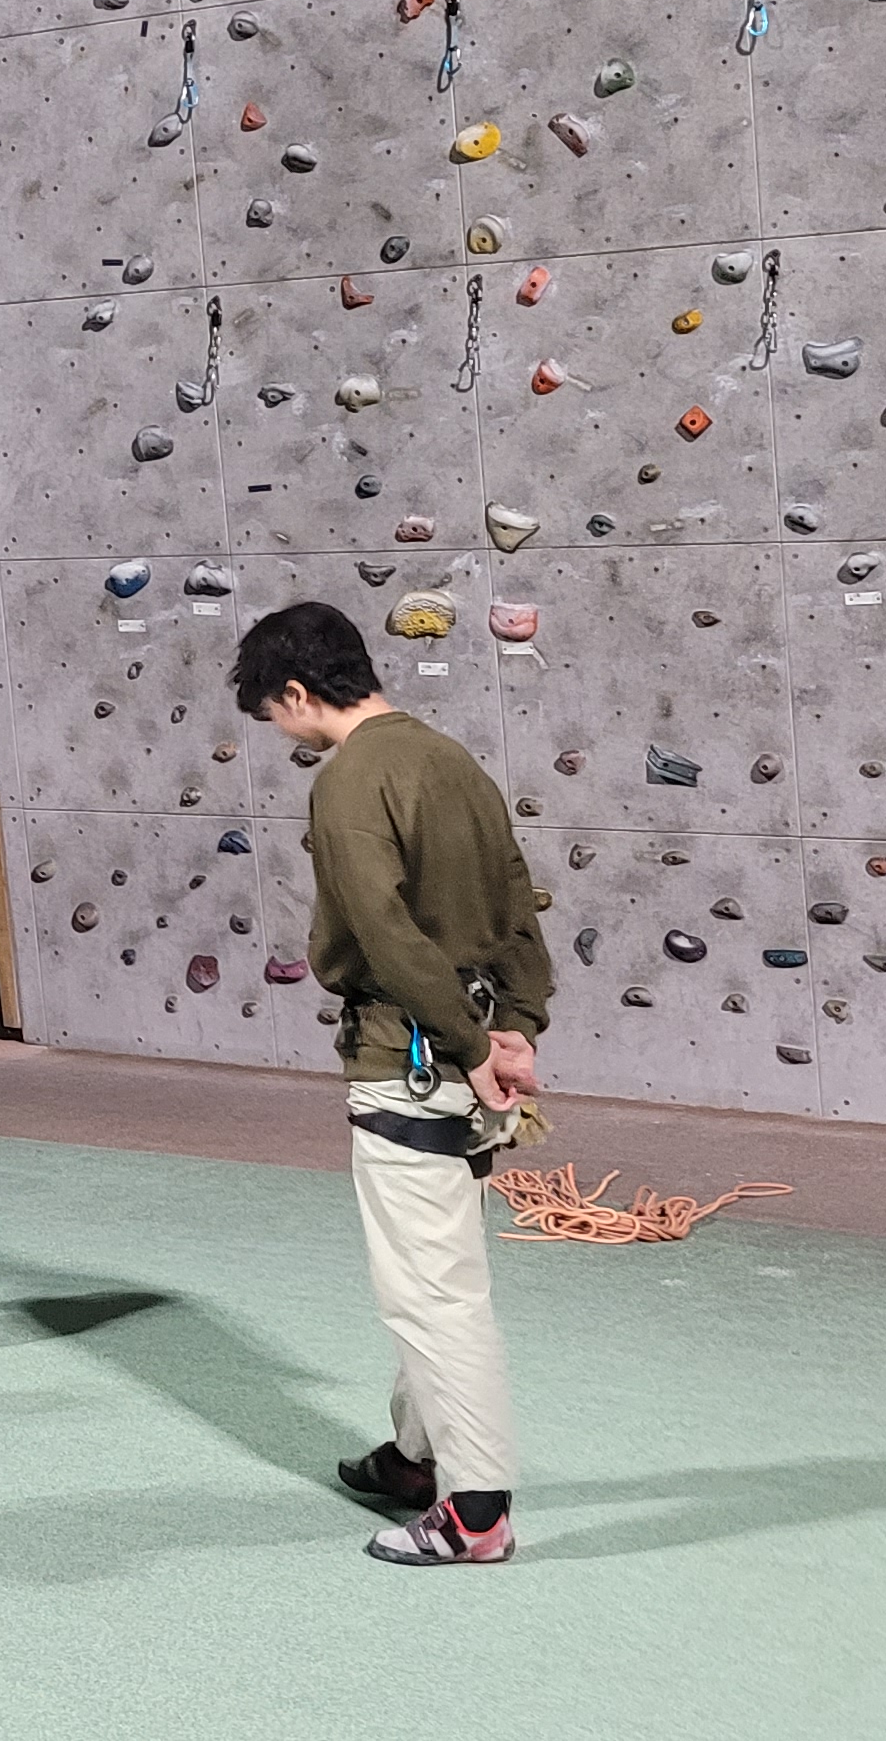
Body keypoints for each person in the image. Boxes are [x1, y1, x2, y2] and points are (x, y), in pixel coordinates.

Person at [231, 600, 554, 1568]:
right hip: (469, 1044)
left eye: (273, 712)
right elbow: (518, 900)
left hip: (408, 1058)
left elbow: (381, 929)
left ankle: (476, 1512)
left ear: (297, 692)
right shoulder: (452, 760)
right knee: (433, 1269)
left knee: (433, 1294)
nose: (280, 730)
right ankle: (417, 1458)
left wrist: (465, 1042)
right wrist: (516, 1027)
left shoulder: (348, 779)